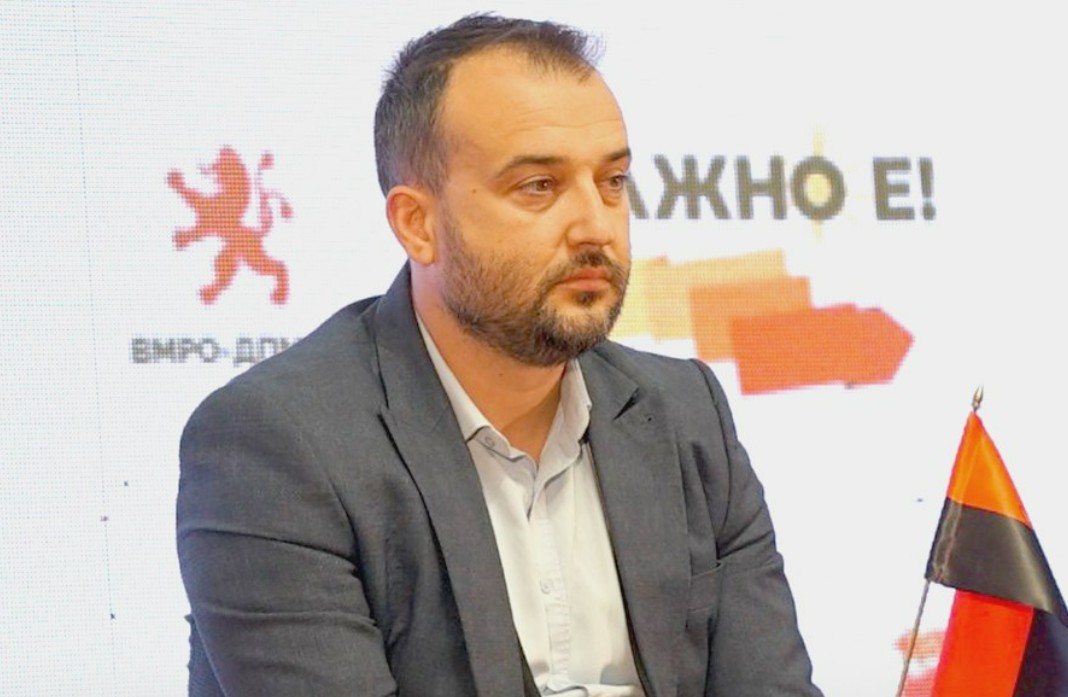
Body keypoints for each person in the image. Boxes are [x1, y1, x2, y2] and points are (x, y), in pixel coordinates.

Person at [176, 13, 823, 697]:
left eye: (612, 181)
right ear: (418, 224)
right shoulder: (277, 444)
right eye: (539, 186)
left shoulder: (685, 413)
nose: (596, 226)